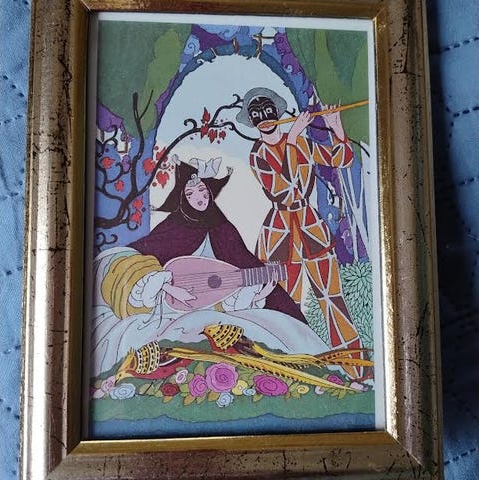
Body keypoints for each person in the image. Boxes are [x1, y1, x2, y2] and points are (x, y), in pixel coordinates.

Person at [91, 156, 331, 377]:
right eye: (191, 193)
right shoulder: (173, 228)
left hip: (220, 305)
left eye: (203, 191)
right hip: (171, 310)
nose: (200, 197)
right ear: (182, 197)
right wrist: (170, 288)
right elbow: (143, 262)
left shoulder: (223, 229)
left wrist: (259, 294)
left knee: (276, 329)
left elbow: (238, 270)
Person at [236, 88, 364, 378]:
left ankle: (356, 369)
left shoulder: (303, 143)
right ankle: (285, 373)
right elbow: (287, 192)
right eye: (256, 115)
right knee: (283, 306)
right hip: (279, 239)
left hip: (312, 232)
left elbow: (342, 158)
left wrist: (337, 128)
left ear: (278, 112)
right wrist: (292, 141)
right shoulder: (258, 155)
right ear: (251, 122)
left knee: (332, 299)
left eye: (268, 111)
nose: (264, 119)